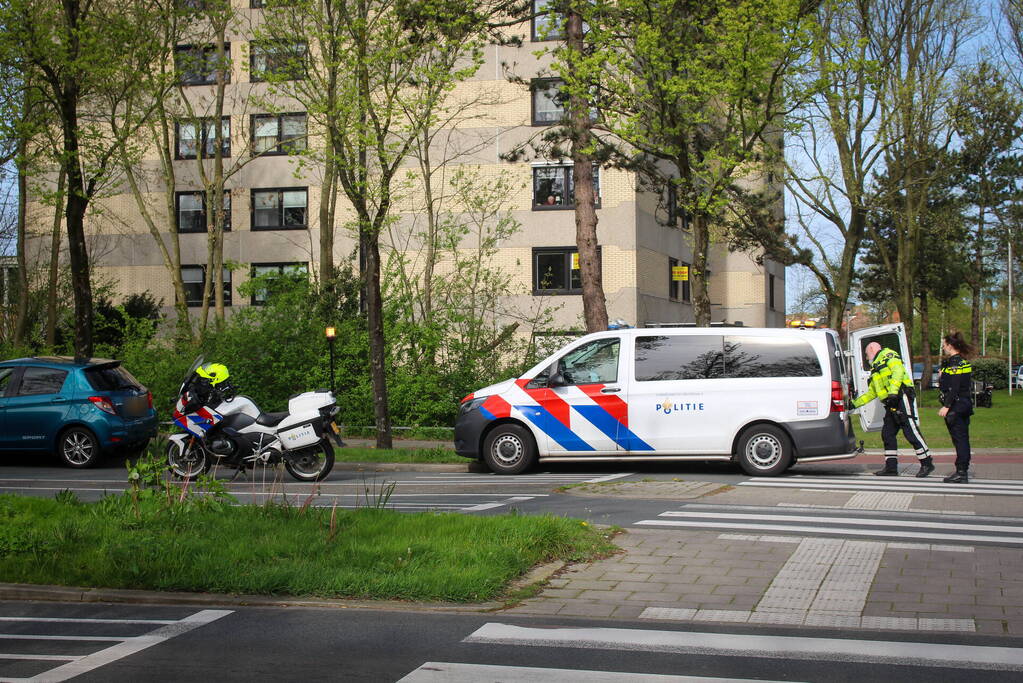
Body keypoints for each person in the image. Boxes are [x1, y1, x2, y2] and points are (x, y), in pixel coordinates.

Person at [851, 341, 933, 477]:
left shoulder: (888, 355)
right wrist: (854, 404)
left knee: (910, 431)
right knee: (887, 433)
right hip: (891, 403)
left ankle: (927, 463)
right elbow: (872, 393)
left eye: (866, 354)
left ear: (872, 349)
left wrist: (894, 392)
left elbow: (898, 371)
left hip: (901, 397)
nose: (866, 358)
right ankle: (891, 468)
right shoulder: (875, 368)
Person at [938, 332, 974, 483]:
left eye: (944, 345)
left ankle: (961, 472)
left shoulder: (954, 363)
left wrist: (947, 406)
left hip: (957, 406)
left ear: (950, 346)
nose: (944, 348)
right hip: (964, 403)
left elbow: (954, 387)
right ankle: (962, 469)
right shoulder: (962, 361)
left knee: (960, 439)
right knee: (962, 438)